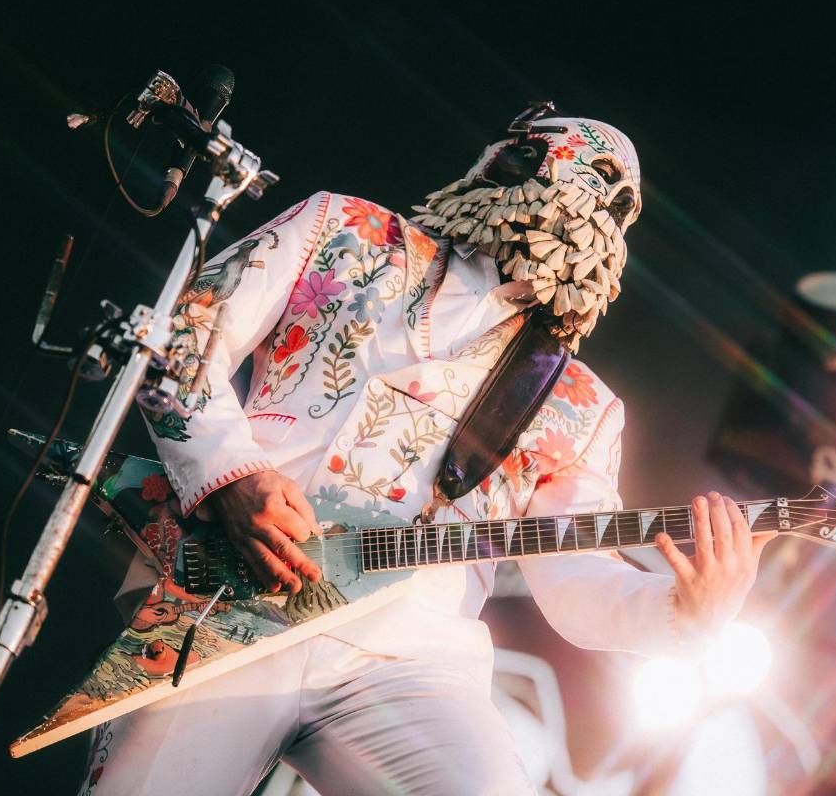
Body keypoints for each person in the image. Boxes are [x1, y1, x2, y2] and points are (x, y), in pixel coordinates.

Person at [81, 105, 775, 795]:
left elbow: (578, 580)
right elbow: (180, 336)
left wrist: (687, 610)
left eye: (618, 205)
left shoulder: (581, 404)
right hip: (229, 600)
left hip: (410, 661)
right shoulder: (341, 229)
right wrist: (231, 476)